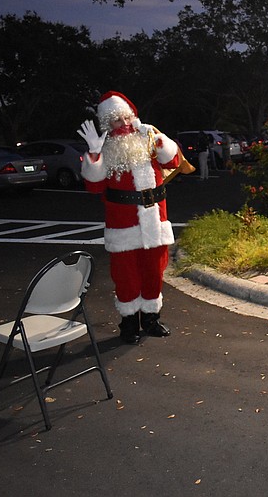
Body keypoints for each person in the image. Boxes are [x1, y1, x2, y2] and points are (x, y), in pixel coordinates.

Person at [77, 91, 179, 344]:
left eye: (125, 118)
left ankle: (152, 319)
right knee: (126, 277)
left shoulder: (146, 138)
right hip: (123, 225)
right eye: (115, 121)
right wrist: (94, 154)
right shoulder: (105, 148)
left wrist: (158, 137)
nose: (122, 125)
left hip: (155, 220)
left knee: (155, 272)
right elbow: (93, 185)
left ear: (133, 117)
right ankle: (129, 323)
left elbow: (174, 160)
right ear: (107, 124)